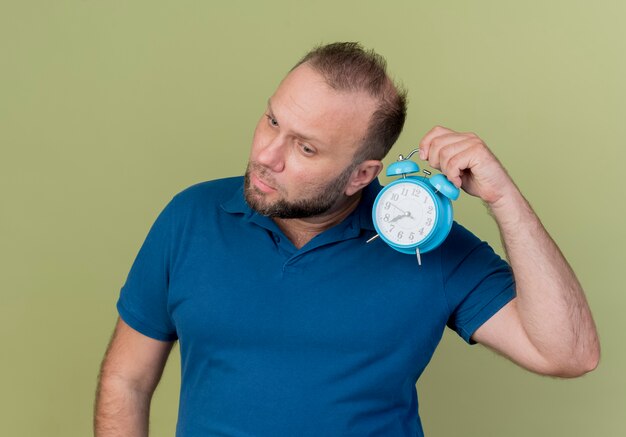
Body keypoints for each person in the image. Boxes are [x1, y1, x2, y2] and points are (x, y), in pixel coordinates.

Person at [94, 42, 600, 437]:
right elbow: (126, 381)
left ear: (362, 174)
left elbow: (568, 354)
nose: (268, 155)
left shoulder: (430, 247)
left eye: (306, 147)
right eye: (272, 120)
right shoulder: (191, 217)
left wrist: (504, 199)